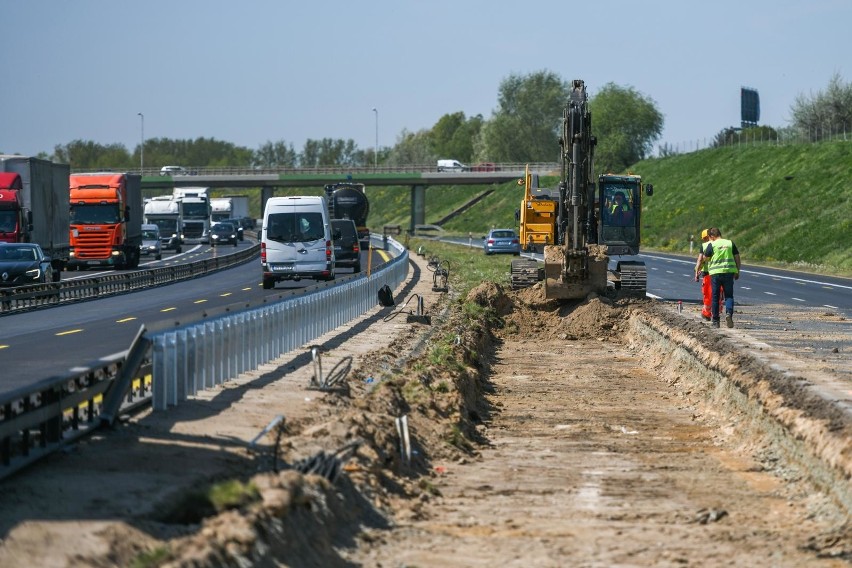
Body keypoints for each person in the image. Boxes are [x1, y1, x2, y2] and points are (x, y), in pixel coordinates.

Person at [696, 227, 741, 328]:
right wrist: (737, 271)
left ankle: (716, 321)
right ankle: (729, 313)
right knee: (729, 296)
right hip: (729, 273)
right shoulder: (730, 243)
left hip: (715, 274)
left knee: (715, 297)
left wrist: (698, 268)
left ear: (712, 236)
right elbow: (737, 258)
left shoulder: (712, 244)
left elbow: (705, 258)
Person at [694, 229, 713, 320]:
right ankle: (717, 312)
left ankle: (707, 313)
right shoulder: (723, 244)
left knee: (708, 294)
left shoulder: (705, 245)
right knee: (718, 294)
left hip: (708, 273)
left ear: (706, 237)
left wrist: (697, 271)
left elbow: (700, 260)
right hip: (721, 273)